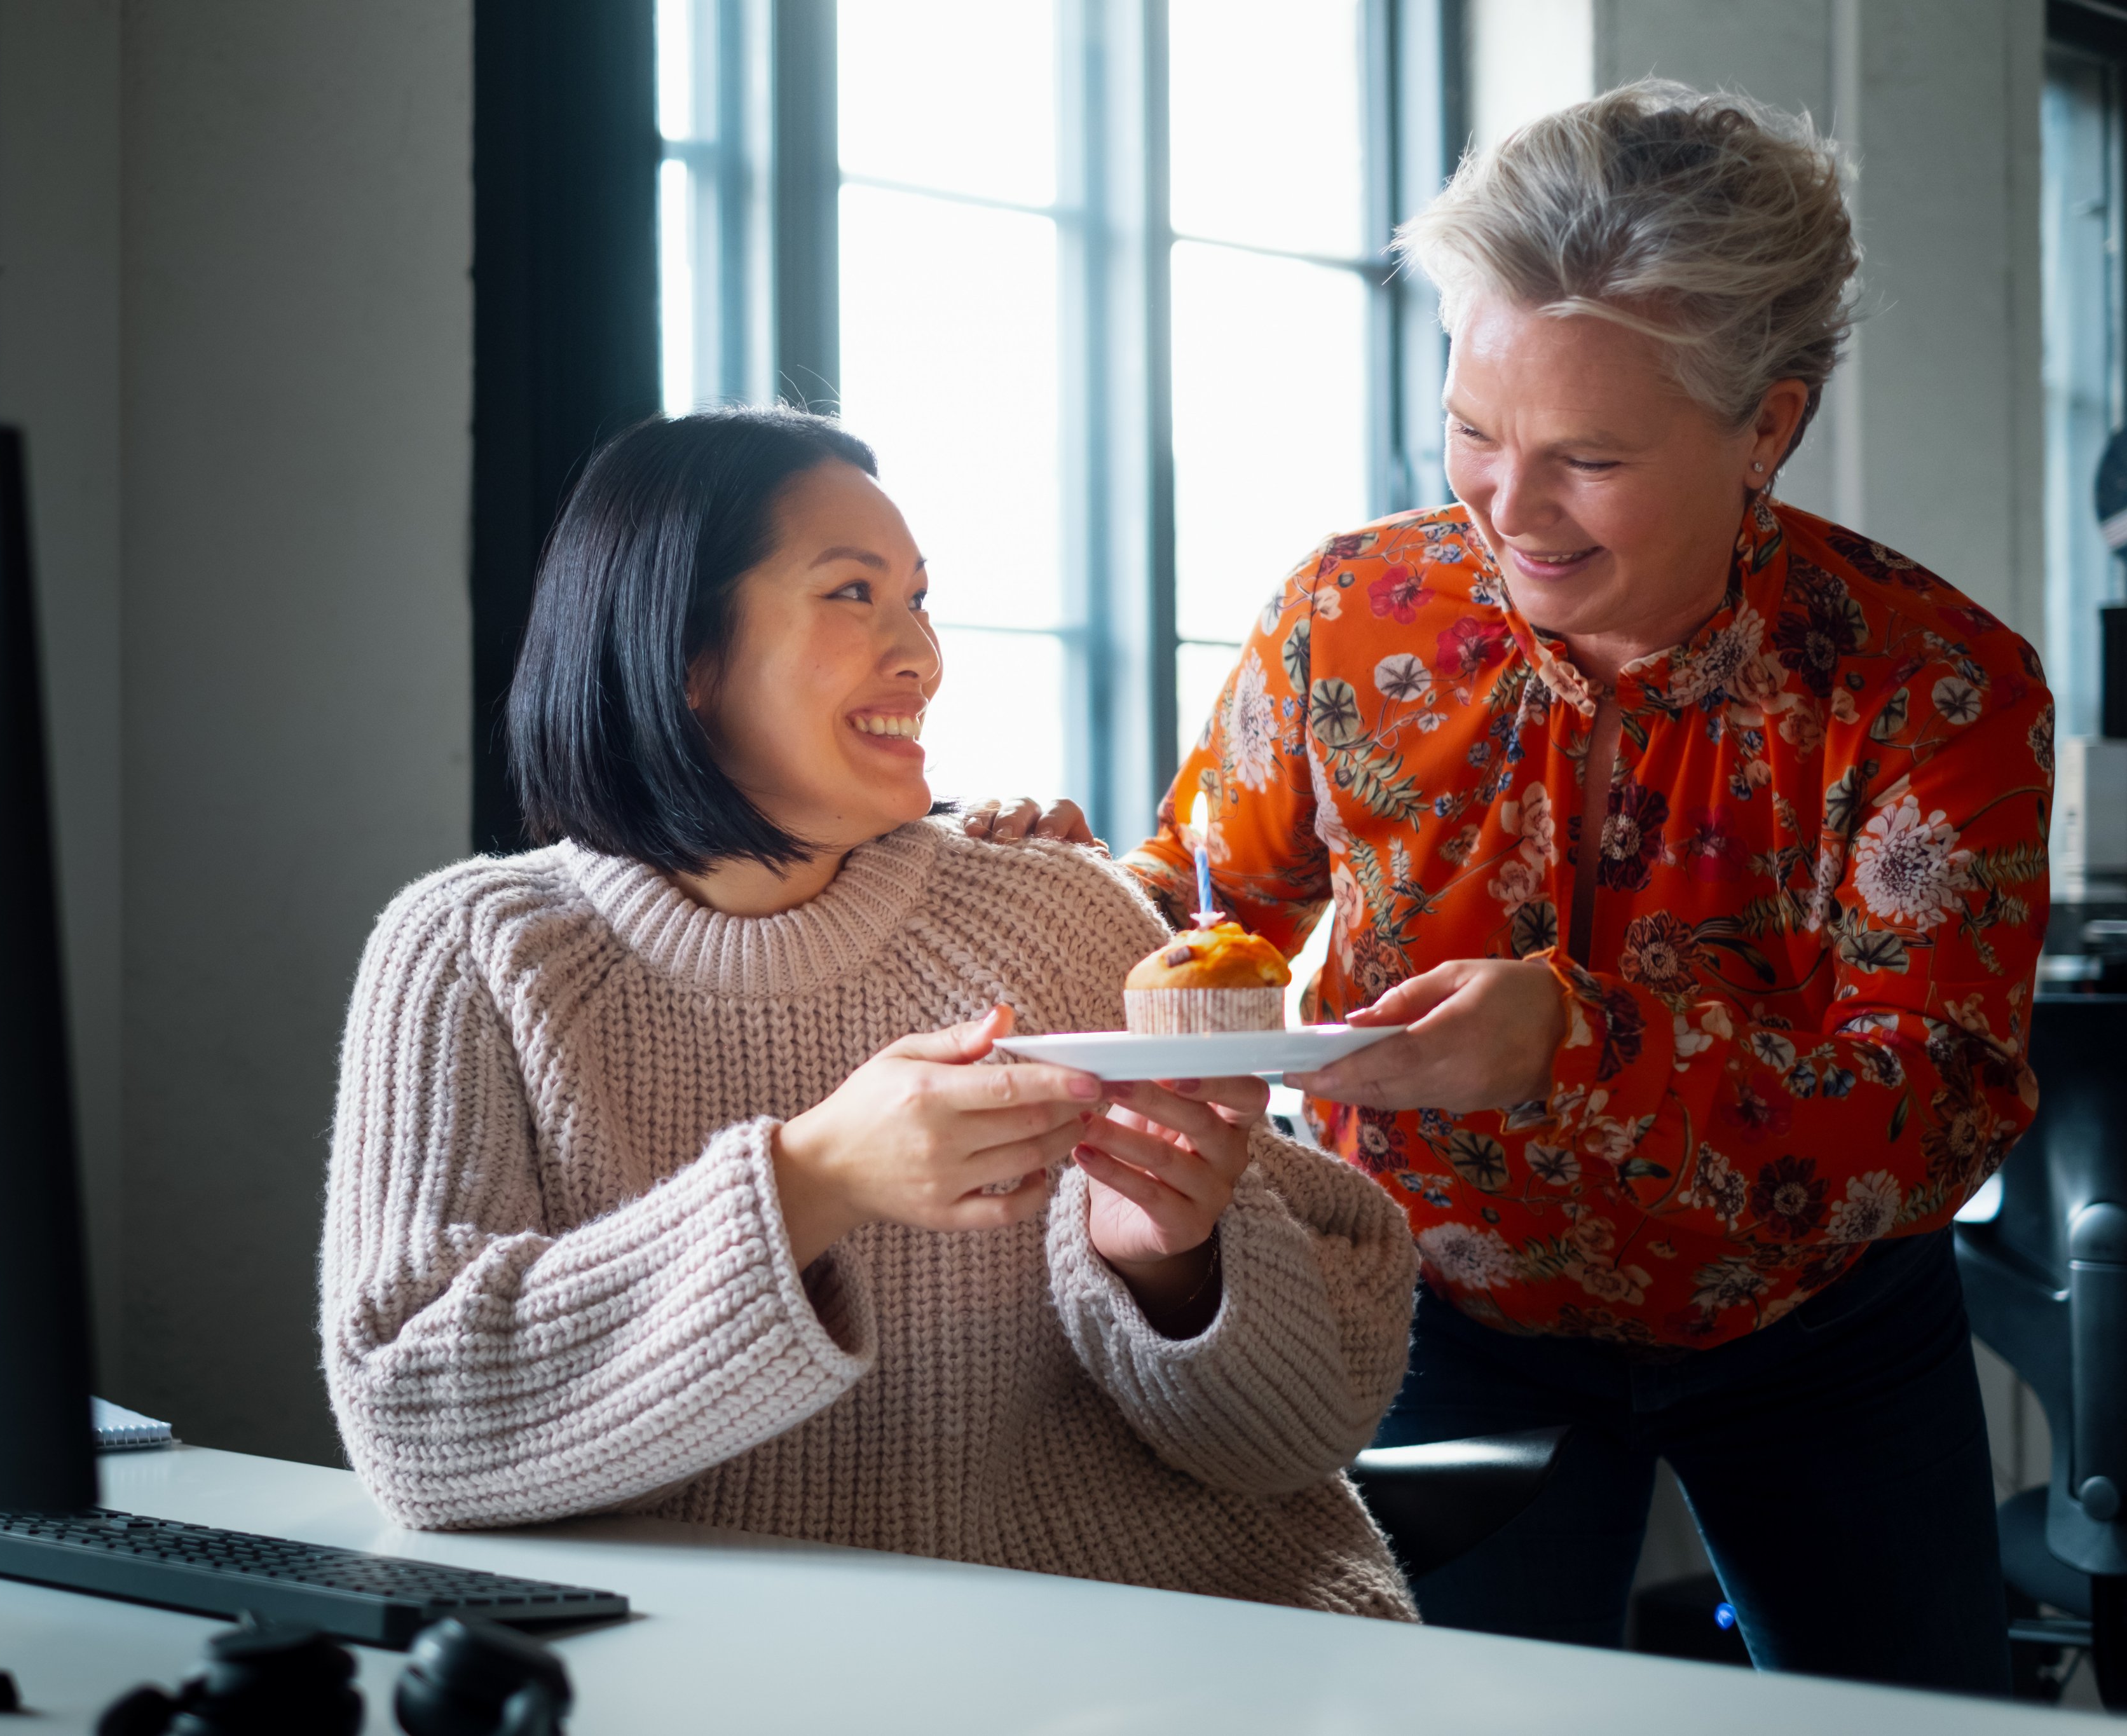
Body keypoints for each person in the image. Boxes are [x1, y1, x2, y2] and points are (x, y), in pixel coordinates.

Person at [980, 83, 2050, 1692]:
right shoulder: (1350, 613)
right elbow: (1203, 908)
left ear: (1768, 421)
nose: (1506, 506)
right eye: (1472, 432)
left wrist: (1578, 1046)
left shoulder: (1936, 688)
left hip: (1817, 1332)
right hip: (1428, 1305)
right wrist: (1052, 894)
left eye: (1588, 458)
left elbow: (1941, 1103)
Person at [319, 408, 1417, 1618]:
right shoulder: (473, 953)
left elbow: (1304, 1434)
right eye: (853, 594)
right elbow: (416, 1426)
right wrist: (813, 1179)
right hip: (720, 1674)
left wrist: (1173, 1266)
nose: (923, 656)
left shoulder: (1063, 914)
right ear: (684, 658)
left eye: (921, 599)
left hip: (1154, 1646)